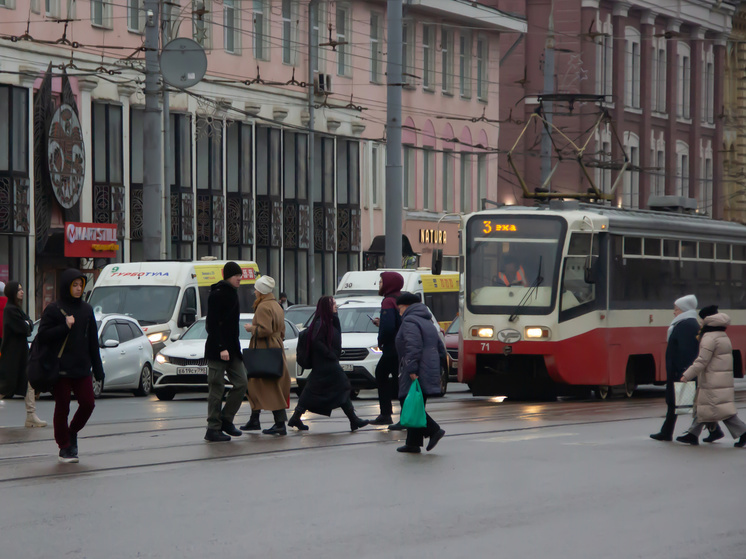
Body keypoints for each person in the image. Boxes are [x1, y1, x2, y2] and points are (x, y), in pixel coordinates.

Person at [37, 270, 104, 463]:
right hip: (61, 369)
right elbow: (42, 336)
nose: (78, 288)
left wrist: (98, 370)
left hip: (82, 367)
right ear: (67, 286)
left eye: (81, 285)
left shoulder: (86, 310)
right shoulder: (54, 309)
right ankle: (64, 446)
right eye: (74, 285)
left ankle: (72, 431)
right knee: (62, 406)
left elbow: (92, 342)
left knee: (88, 403)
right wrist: (64, 327)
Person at [287, 296, 370, 432]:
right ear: (327, 307)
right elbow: (316, 340)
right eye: (333, 304)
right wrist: (329, 354)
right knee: (343, 386)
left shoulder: (328, 321)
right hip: (326, 363)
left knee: (313, 390)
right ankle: (353, 419)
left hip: (324, 364)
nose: (336, 306)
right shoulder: (322, 323)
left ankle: (296, 417)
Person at [676, 305, 746, 448]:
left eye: (702, 319)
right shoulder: (721, 334)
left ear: (707, 320)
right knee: (707, 408)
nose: (700, 322)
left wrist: (687, 375)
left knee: (721, 411)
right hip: (719, 379)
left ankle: (744, 432)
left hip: (712, 380)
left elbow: (702, 360)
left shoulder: (709, 338)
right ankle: (693, 434)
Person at [394, 292, 447, 453]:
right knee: (416, 402)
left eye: (400, 308)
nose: (399, 312)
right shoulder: (427, 320)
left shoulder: (410, 321)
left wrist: (411, 368)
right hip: (428, 367)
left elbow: (413, 346)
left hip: (417, 367)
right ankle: (413, 443)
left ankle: (433, 430)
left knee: (407, 401)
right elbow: (440, 347)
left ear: (408, 306)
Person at [203, 261, 249, 442]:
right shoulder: (218, 294)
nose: (240, 278)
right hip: (218, 350)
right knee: (217, 388)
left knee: (242, 383)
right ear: (229, 276)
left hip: (233, 350)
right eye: (238, 275)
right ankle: (213, 428)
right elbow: (212, 325)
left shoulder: (233, 293)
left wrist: (233, 349)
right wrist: (222, 347)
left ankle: (226, 419)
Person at [241, 276, 291, 435]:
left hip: (264, 349)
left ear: (261, 291)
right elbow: (281, 330)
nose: (254, 292)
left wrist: (251, 328)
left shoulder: (263, 307)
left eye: (256, 289)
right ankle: (255, 419)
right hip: (275, 347)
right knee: (263, 384)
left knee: (263, 384)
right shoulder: (276, 305)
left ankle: (278, 423)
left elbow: (265, 330)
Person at [650, 295, 700, 442]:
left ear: (683, 309)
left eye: (676, 309)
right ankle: (667, 432)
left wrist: (682, 371)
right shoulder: (685, 323)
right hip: (679, 370)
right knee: (676, 403)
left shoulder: (686, 325)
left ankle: (668, 432)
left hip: (681, 371)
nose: (674, 312)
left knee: (680, 403)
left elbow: (686, 350)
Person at [0, 281, 47, 427]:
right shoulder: (10, 310)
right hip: (12, 355)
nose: (22, 291)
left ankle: (31, 415)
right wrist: (27, 324)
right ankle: (31, 416)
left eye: (21, 289)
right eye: (19, 289)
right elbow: (23, 327)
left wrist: (27, 324)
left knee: (29, 383)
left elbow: (30, 324)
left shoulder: (17, 309)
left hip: (21, 353)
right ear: (13, 292)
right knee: (6, 385)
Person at [370, 271, 404, 428]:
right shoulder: (400, 299)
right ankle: (397, 414)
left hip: (392, 348)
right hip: (402, 346)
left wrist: (381, 341)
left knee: (382, 375)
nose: (379, 285)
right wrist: (381, 322)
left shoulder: (388, 302)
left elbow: (389, 327)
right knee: (397, 379)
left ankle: (386, 414)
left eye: (382, 282)